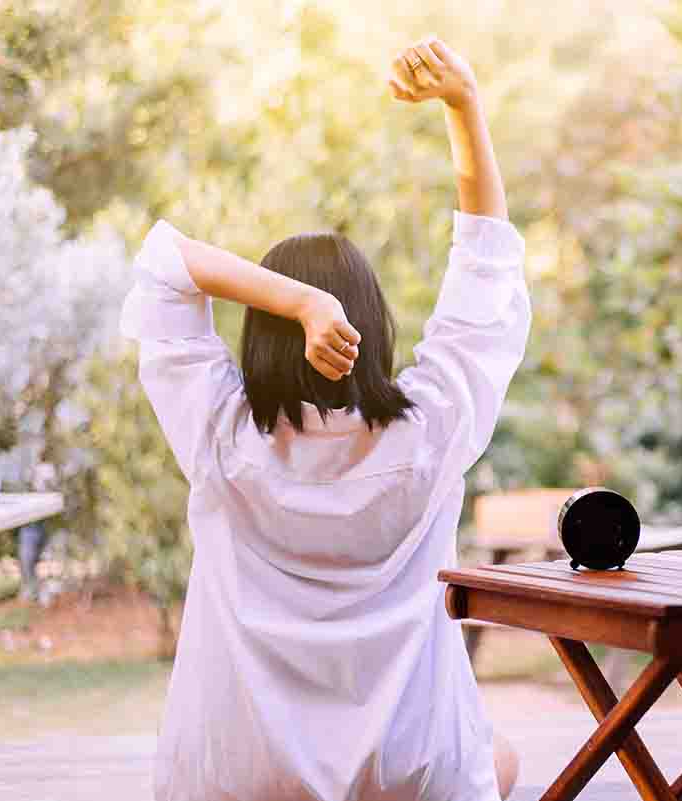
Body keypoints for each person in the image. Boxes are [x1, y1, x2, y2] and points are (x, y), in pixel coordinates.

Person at [120, 37, 526, 801]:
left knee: (491, 750)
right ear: (375, 322)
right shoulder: (433, 430)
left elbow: (166, 263)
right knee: (496, 754)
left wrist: (296, 300)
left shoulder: (220, 436)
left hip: (241, 782)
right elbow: (486, 267)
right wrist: (465, 105)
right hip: (409, 777)